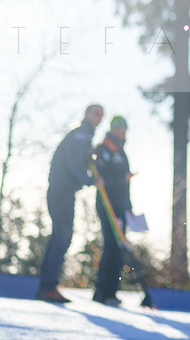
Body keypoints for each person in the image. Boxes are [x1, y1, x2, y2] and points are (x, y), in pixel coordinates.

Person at [37, 103, 104, 303]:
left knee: (60, 236)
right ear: (86, 114)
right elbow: (74, 163)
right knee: (63, 236)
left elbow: (79, 162)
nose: (98, 117)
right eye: (95, 113)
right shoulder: (80, 135)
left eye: (101, 115)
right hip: (62, 190)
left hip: (64, 190)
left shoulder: (85, 136)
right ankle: (48, 286)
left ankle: (46, 286)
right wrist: (91, 180)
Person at [92, 115, 133, 306]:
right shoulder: (103, 149)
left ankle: (108, 292)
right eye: (118, 127)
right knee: (112, 247)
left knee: (117, 248)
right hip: (108, 205)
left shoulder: (121, 151)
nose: (121, 131)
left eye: (124, 128)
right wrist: (122, 180)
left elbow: (126, 184)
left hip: (120, 207)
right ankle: (104, 292)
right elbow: (100, 179)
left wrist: (129, 207)